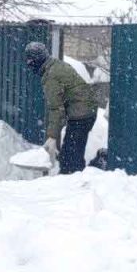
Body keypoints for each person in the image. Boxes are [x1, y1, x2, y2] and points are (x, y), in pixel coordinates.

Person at [23, 42, 99, 174]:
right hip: (86, 110)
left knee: (71, 156)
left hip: (81, 113)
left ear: (37, 59)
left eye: (30, 60)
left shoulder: (51, 76)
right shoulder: (56, 65)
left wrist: (52, 137)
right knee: (71, 151)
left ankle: (73, 177)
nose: (28, 63)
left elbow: (56, 109)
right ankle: (74, 174)